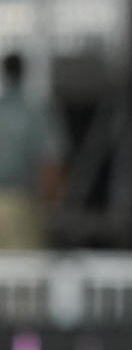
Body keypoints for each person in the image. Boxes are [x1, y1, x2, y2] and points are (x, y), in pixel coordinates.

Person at [0, 52, 66, 249]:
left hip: (13, 197)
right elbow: (51, 159)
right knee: (22, 272)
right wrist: (53, 206)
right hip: (22, 203)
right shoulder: (37, 109)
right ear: (24, 72)